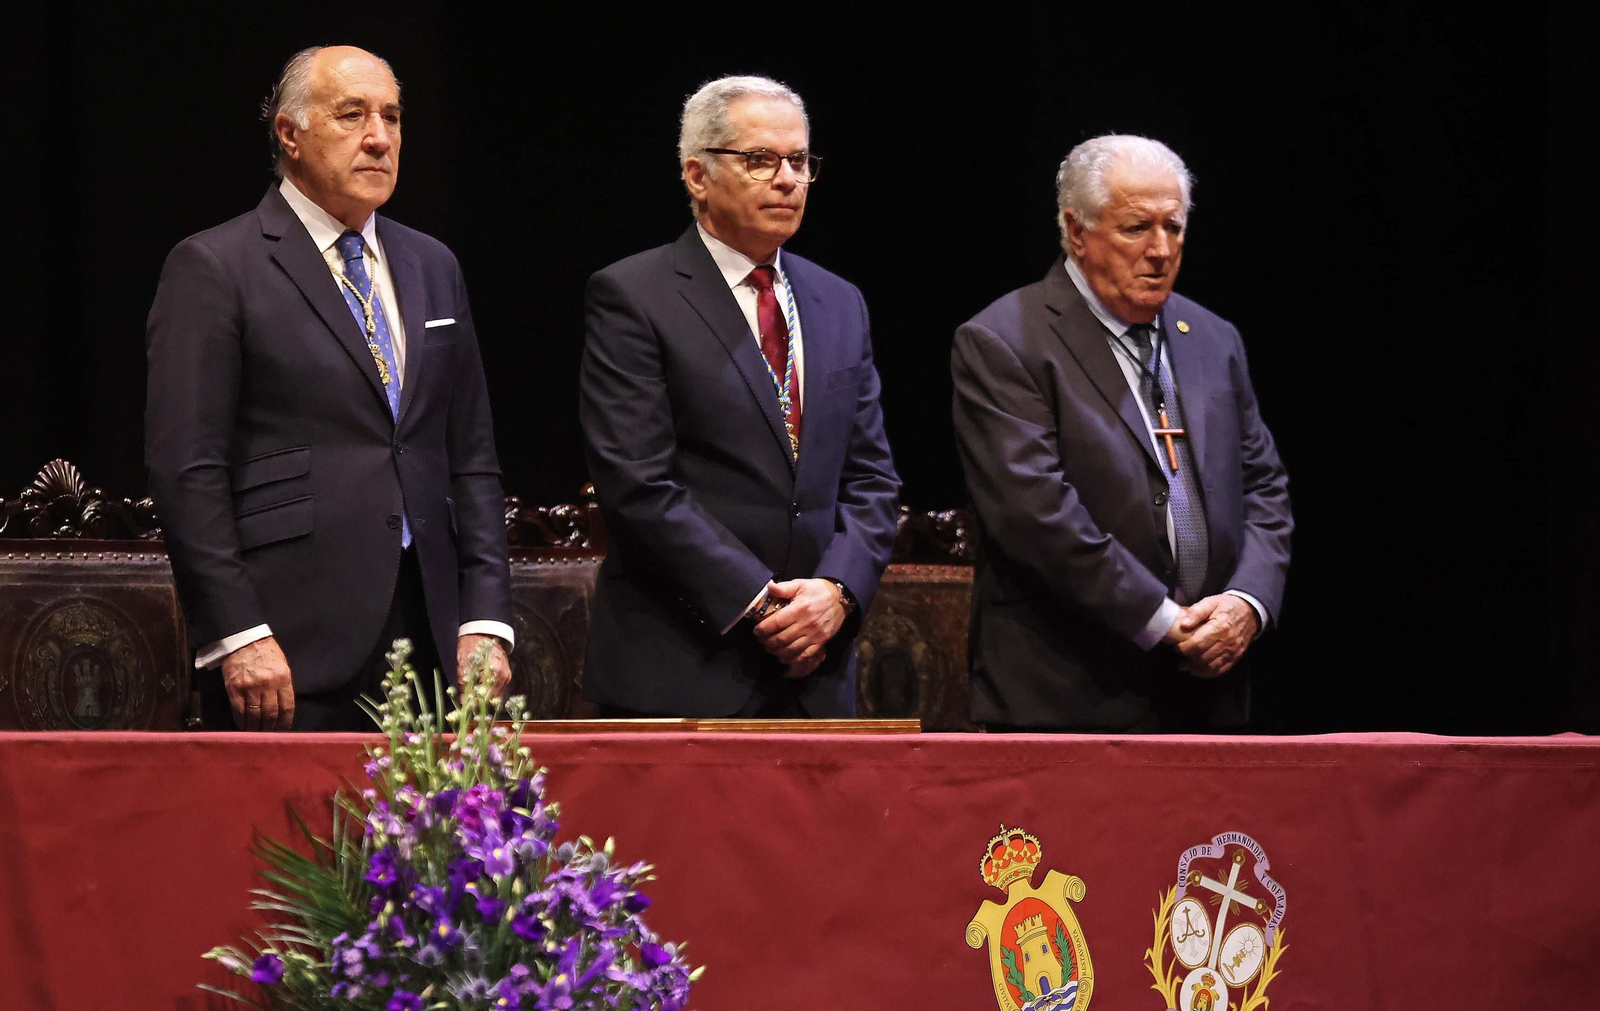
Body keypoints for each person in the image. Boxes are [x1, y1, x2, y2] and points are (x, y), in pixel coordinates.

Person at [145, 46, 513, 731]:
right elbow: (186, 467)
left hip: (436, 641)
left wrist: (486, 615)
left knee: (435, 839)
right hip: (287, 645)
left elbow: (472, 458)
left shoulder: (433, 264)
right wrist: (239, 631)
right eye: (352, 114)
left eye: (393, 117)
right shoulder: (216, 266)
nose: (380, 136)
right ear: (289, 133)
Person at [579, 75, 900, 718]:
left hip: (818, 671)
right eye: (760, 160)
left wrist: (836, 593)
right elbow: (638, 484)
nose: (787, 179)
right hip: (685, 662)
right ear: (698, 175)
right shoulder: (633, 296)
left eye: (800, 161)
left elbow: (872, 481)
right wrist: (765, 606)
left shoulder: (839, 302)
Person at [951, 134, 1292, 732]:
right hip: (1071, 696)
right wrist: (1162, 620)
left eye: (1175, 228)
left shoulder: (1214, 338)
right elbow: (1037, 516)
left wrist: (1246, 604)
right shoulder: (1004, 340)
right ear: (1076, 230)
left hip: (1209, 696)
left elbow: (1265, 489)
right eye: (1137, 228)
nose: (1161, 251)